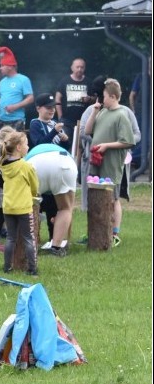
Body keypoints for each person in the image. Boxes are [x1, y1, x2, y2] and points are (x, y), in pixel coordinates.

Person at [83, 78, 135, 246]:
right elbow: (88, 131)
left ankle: (113, 233)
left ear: (112, 96)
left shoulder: (121, 115)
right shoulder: (102, 111)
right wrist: (94, 112)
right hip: (96, 161)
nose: (101, 99)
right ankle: (95, 232)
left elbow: (128, 141)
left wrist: (106, 146)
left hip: (111, 164)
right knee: (95, 196)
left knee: (111, 198)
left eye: (103, 96)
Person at [26, 142, 78, 257]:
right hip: (65, 162)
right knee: (65, 208)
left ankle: (28, 245)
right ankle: (56, 247)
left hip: (35, 163)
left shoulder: (30, 154)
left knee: (28, 206)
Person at [0, 131, 40, 275]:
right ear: (18, 147)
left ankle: (7, 267)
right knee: (29, 238)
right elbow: (35, 186)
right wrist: (34, 194)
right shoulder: (25, 166)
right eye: (26, 144)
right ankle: (32, 269)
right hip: (23, 207)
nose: (28, 147)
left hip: (8, 207)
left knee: (11, 238)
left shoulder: (4, 165)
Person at [0, 46, 34, 128]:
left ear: (10, 66)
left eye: (2, 66)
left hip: (17, 120)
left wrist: (15, 106)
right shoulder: (2, 81)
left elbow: (30, 98)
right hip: (1, 119)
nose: (0, 68)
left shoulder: (23, 79)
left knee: (16, 141)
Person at [54, 57, 90, 130]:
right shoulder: (64, 81)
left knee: (81, 141)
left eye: (82, 67)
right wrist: (60, 117)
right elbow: (57, 99)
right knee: (66, 140)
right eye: (77, 67)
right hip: (66, 120)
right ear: (72, 68)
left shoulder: (88, 82)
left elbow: (95, 99)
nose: (79, 69)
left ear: (84, 68)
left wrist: (89, 99)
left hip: (83, 120)